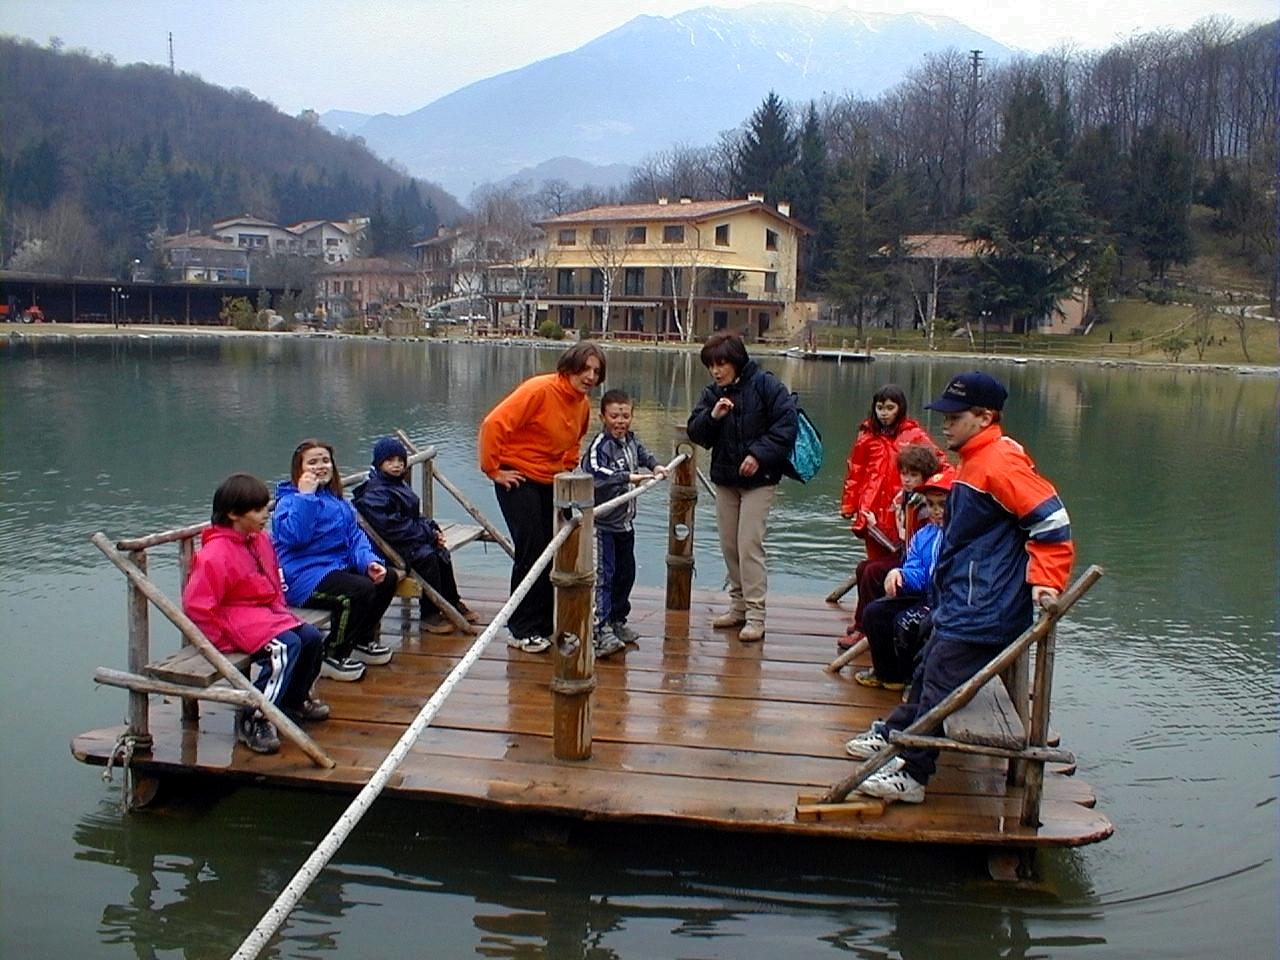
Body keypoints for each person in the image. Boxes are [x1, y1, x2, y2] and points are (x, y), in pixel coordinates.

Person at [844, 371, 1074, 804]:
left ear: (985, 417)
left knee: (939, 683)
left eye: (954, 415)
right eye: (944, 415)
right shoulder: (973, 459)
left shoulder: (1001, 463)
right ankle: (896, 734)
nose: (944, 423)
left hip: (985, 609)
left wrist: (1045, 581)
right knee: (927, 669)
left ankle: (913, 773)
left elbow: (1052, 522)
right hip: (960, 601)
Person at [182, 473, 329, 755]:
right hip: (236, 622)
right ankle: (255, 717)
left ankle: (291, 701)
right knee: (283, 649)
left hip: (265, 614)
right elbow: (197, 605)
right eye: (258, 510)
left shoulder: (258, 541)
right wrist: (221, 641)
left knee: (311, 638)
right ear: (234, 514)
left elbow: (272, 580)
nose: (266, 514)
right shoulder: (215, 554)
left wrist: (281, 610)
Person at [478, 340, 606, 653]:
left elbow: (575, 440)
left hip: (550, 480)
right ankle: (520, 628)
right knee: (531, 549)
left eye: (596, 372)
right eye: (585, 368)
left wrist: (567, 468)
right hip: (517, 476)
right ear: (570, 366)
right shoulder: (539, 389)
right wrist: (493, 469)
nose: (589, 376)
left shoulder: (582, 403)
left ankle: (545, 623)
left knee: (553, 548)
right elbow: (494, 424)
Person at [686, 331, 797, 642]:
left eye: (721, 364)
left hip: (759, 481)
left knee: (749, 544)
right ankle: (737, 607)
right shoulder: (712, 393)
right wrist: (714, 416)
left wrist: (758, 455)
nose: (716, 371)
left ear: (736, 361)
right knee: (729, 545)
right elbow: (697, 433)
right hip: (726, 478)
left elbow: (786, 426)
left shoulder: (766, 385)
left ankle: (756, 614)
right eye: (711, 365)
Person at [272, 439, 399, 682]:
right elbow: (296, 538)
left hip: (334, 568)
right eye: (312, 462)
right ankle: (331, 653)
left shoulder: (337, 501)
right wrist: (305, 497)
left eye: (325, 461)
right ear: (299, 470)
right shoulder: (288, 502)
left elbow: (354, 538)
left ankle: (362, 640)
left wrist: (368, 562)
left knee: (387, 577)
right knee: (357, 591)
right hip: (301, 577)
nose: (320, 466)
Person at [352, 436, 480, 634]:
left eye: (400, 461)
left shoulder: (397, 484)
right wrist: (427, 533)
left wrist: (433, 529)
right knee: (427, 557)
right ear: (379, 463)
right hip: (386, 548)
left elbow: (414, 515)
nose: (396, 465)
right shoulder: (374, 492)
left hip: (405, 541)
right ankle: (429, 614)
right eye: (390, 461)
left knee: (440, 552)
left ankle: (450, 602)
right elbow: (392, 527)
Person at [581, 388, 669, 658]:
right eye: (615, 416)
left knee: (625, 573)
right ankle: (600, 629)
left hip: (625, 524)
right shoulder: (600, 445)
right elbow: (595, 471)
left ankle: (618, 620)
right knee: (604, 578)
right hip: (603, 525)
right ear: (603, 417)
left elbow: (644, 455)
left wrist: (655, 467)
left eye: (625, 416)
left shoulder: (631, 440)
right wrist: (627, 478)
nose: (620, 421)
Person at [854, 467, 953, 690]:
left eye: (943, 504)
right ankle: (890, 675)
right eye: (931, 504)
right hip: (925, 596)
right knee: (875, 613)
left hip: (946, 601)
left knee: (907, 622)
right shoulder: (923, 535)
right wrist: (900, 575)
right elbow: (916, 570)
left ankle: (915, 680)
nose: (936, 511)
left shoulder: (961, 536)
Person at [839, 443, 941, 651]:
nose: (907, 479)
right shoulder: (904, 500)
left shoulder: (924, 507)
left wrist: (876, 528)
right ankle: (861, 622)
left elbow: (909, 545)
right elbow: (900, 543)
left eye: (913, 475)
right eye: (904, 474)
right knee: (864, 567)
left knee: (873, 571)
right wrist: (875, 527)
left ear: (925, 477)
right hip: (906, 555)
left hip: (914, 563)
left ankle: (864, 629)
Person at [841, 385, 941, 563]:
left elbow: (938, 462)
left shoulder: (914, 435)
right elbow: (855, 472)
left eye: (890, 408)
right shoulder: (867, 437)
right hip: (871, 505)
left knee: (901, 550)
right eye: (879, 408)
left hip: (901, 505)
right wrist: (849, 505)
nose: (884, 413)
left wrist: (934, 492)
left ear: (900, 409)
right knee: (874, 558)